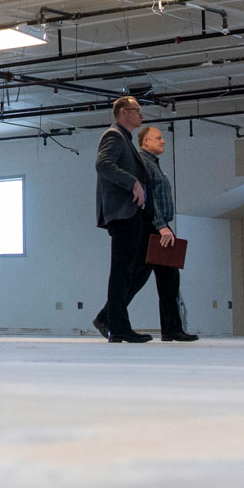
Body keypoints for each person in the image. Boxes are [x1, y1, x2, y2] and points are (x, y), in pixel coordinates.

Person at [91, 96, 154, 343]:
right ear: (123, 113)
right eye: (137, 111)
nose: (142, 115)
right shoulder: (114, 136)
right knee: (121, 272)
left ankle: (113, 321)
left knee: (128, 270)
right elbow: (103, 164)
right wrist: (133, 181)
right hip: (123, 213)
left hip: (130, 213)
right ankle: (117, 326)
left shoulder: (124, 139)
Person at [136, 126, 197, 342]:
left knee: (167, 278)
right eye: (158, 138)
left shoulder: (154, 165)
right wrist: (161, 226)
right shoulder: (144, 164)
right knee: (142, 277)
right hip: (154, 227)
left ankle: (171, 329)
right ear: (145, 143)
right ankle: (107, 317)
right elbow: (148, 200)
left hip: (160, 226)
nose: (163, 141)